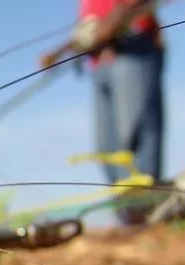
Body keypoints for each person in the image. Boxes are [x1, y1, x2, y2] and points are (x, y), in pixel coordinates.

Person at [40, 0, 166, 225]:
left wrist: (114, 23)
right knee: (107, 148)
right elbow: (89, 30)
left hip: (133, 48)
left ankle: (148, 216)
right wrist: (58, 53)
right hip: (99, 65)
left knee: (134, 136)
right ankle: (130, 221)